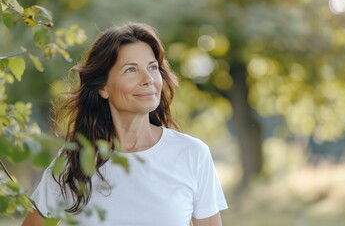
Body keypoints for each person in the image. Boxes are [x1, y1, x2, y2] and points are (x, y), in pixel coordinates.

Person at [22, 22, 228, 226]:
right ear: (103, 87)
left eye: (153, 67)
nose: (148, 79)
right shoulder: (75, 161)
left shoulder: (192, 154)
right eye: (131, 70)